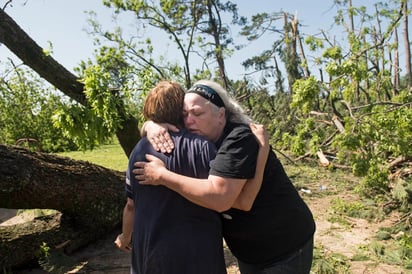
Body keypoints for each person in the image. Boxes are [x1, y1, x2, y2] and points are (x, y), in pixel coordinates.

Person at [134, 80, 316, 274]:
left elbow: (222, 198)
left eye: (197, 113)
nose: (188, 121)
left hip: (284, 247)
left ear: (221, 115)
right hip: (250, 251)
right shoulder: (201, 136)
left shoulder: (240, 138)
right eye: (184, 114)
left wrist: (162, 175)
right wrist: (150, 125)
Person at [114, 80, 269, 274]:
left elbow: (131, 205)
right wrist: (263, 151)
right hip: (200, 258)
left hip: (151, 258)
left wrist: (125, 236)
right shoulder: (204, 147)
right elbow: (238, 200)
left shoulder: (139, 150)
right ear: (181, 110)